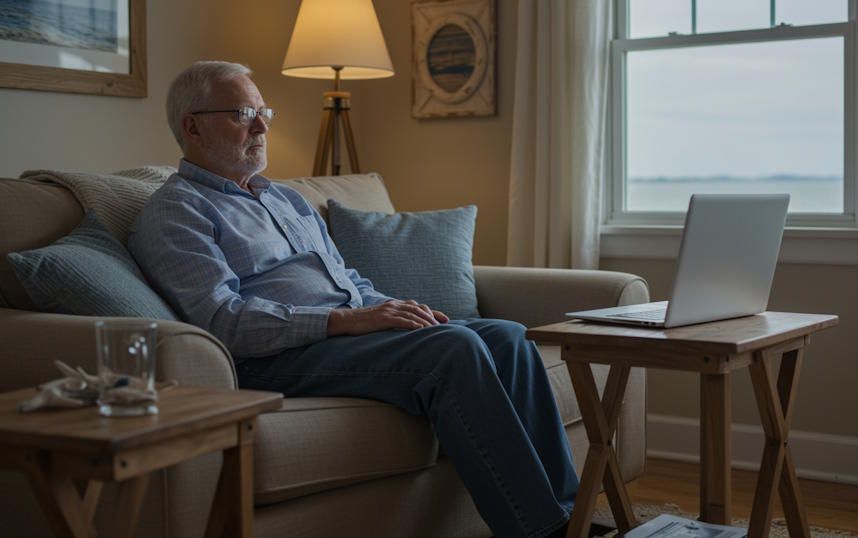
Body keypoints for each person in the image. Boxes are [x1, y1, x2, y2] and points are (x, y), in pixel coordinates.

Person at [129, 61, 579, 538]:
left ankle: (569, 518)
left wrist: (394, 311)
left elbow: (349, 281)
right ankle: (539, 532)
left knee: (508, 338)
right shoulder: (178, 210)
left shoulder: (285, 198)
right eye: (243, 114)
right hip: (276, 357)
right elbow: (224, 321)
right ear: (193, 127)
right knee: (455, 350)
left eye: (263, 112)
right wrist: (346, 321)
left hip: (345, 338)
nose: (261, 126)